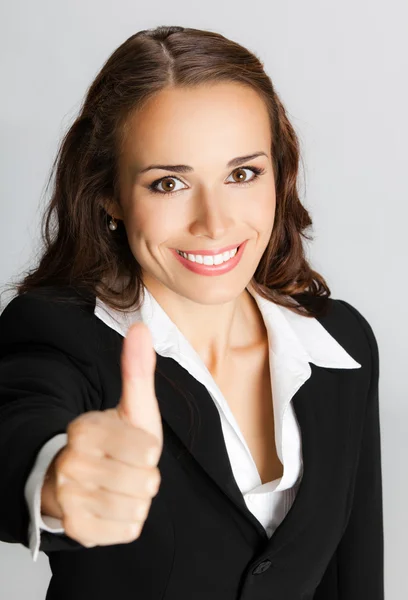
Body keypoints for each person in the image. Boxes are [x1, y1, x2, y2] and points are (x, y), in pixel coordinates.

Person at [0, 25, 383, 600]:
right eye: (169, 182)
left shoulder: (340, 341)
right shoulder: (56, 334)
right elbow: (17, 427)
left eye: (242, 174)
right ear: (109, 195)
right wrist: (55, 477)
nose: (214, 222)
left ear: (280, 174)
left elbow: (352, 575)